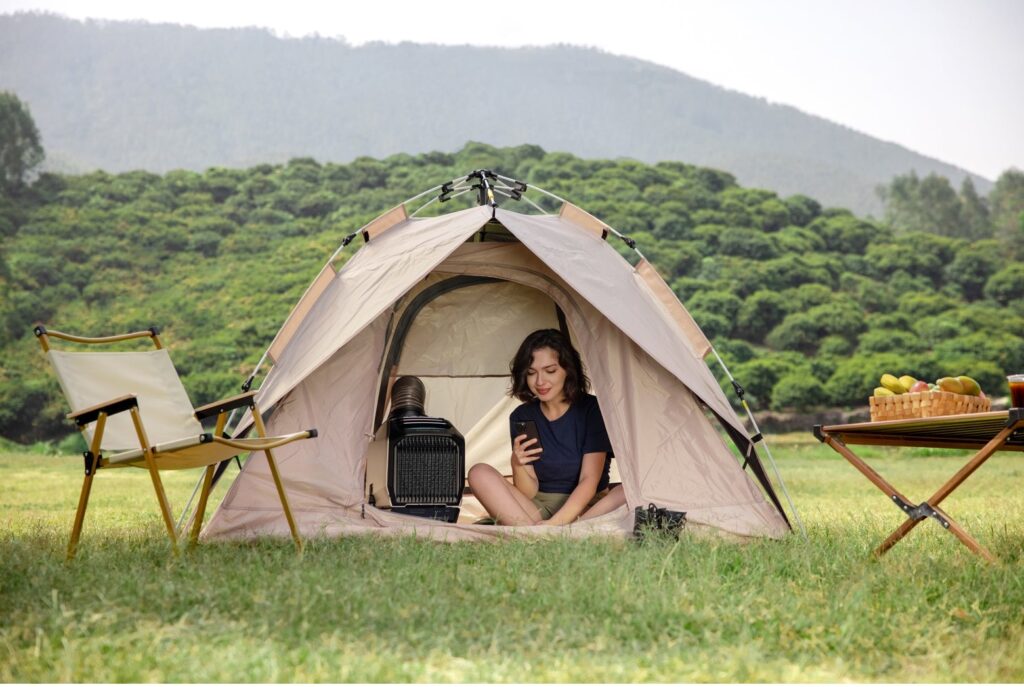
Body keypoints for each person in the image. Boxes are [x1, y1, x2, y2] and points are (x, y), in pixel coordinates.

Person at [468, 329, 625, 525]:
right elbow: (528, 492)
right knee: (478, 473)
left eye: (550, 371)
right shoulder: (522, 416)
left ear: (568, 370)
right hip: (538, 508)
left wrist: (554, 525)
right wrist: (518, 464)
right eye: (532, 373)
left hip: (587, 508)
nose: (540, 382)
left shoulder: (592, 410)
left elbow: (589, 481)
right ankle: (540, 534)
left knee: (628, 491)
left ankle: (554, 533)